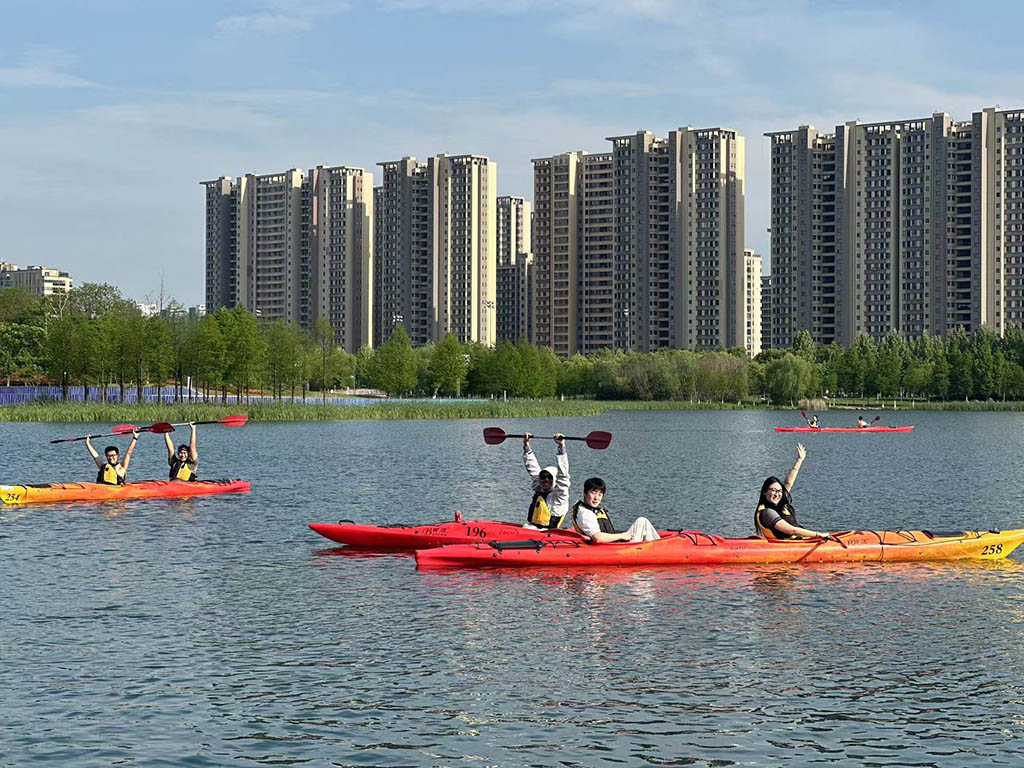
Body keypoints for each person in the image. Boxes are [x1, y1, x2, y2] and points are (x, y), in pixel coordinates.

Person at [755, 443, 833, 541]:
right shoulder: (767, 513)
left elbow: (788, 483)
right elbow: (792, 531)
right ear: (765, 492)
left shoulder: (781, 503)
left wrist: (800, 460)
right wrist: (818, 534)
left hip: (799, 541)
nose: (777, 494)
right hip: (788, 547)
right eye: (773, 490)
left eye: (779, 491)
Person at [571, 477, 660, 543]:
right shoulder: (586, 513)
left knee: (641, 523)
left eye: (600, 494)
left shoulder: (589, 510)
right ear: (585, 493)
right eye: (593, 492)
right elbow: (598, 538)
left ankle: (656, 544)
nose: (596, 498)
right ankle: (661, 549)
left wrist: (622, 535)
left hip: (612, 545)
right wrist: (622, 535)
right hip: (611, 550)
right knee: (642, 522)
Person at [523, 432, 571, 529]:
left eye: (549, 477)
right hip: (531, 529)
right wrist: (526, 445)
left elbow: (563, 476)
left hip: (549, 534)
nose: (546, 480)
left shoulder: (560, 496)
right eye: (543, 477)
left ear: (554, 479)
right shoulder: (539, 487)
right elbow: (532, 467)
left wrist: (562, 447)